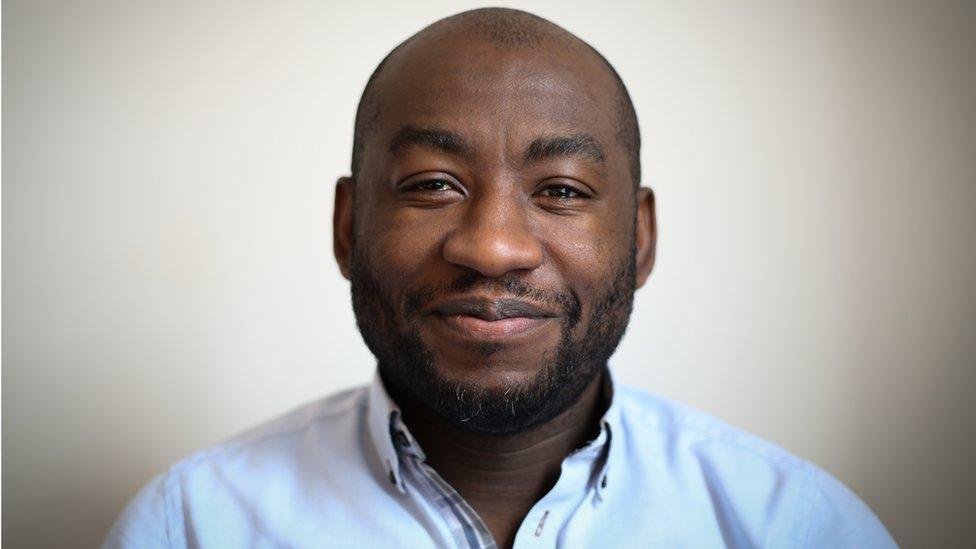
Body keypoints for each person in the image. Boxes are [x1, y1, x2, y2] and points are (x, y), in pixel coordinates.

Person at [104, 8, 895, 548]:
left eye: (561, 191)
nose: (492, 246)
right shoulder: (192, 526)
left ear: (641, 239)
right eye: (432, 184)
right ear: (348, 227)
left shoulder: (794, 525)